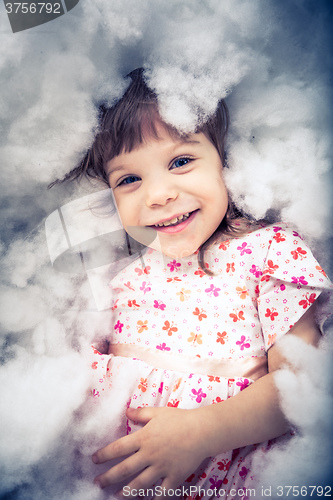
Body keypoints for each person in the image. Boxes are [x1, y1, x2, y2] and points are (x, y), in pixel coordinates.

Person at [53, 68, 332, 499]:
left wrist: (201, 431)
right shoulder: (123, 275)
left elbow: (302, 387)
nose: (157, 195)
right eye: (129, 179)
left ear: (227, 162)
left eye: (181, 162)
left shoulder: (268, 251)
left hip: (223, 476)